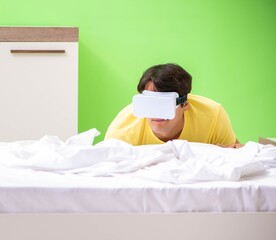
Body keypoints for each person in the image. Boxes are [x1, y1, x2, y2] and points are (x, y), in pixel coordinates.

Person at [105, 63, 241, 147]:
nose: (156, 113)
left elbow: (235, 151)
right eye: (150, 102)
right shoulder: (123, 129)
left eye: (164, 103)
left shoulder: (212, 116)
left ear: (185, 104)